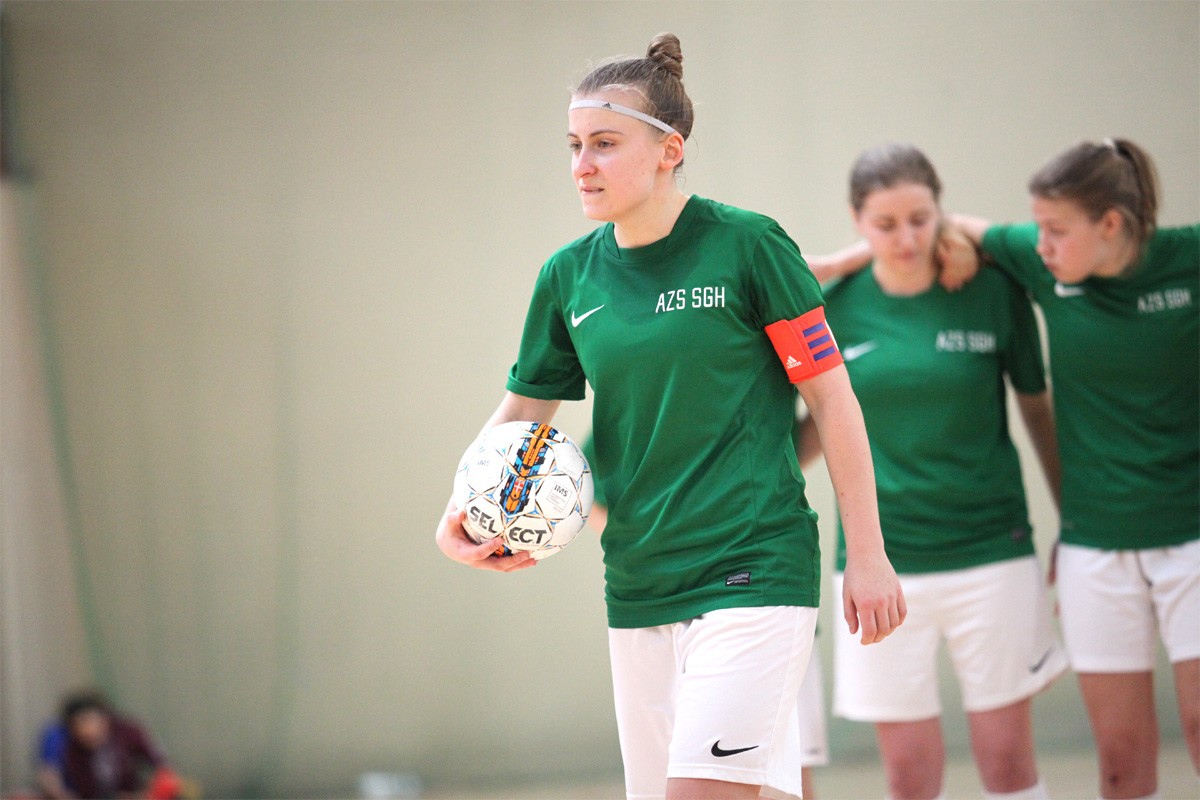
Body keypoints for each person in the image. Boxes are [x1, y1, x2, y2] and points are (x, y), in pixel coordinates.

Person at [435, 33, 905, 800]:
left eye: (604, 143)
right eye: (574, 145)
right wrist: (460, 511)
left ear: (668, 150)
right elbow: (523, 413)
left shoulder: (749, 246)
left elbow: (833, 398)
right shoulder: (568, 277)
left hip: (754, 570)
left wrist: (871, 554)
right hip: (638, 585)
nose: (582, 165)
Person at [798, 143, 1068, 800]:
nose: (906, 239)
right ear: (857, 221)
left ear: (942, 212)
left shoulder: (992, 293)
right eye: (886, 224)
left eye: (920, 219)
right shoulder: (832, 308)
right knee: (910, 779)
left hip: (992, 553)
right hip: (880, 569)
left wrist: (1075, 517)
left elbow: (1037, 411)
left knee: (1008, 765)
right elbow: (814, 430)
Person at [945, 138, 1199, 800]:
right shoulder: (1043, 264)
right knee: (1119, 762)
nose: (1043, 244)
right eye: (1038, 229)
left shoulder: (1191, 259)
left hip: (1193, 538)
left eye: (1057, 230)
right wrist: (955, 245)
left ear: (1110, 224)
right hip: (1096, 548)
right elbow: (949, 225)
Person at [582, 435, 831, 799]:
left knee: (783, 784)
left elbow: (831, 411)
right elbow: (586, 484)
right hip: (656, 606)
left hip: (756, 589)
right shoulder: (637, 421)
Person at [35, 689, 182, 800]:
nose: (89, 731)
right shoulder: (68, 747)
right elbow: (54, 778)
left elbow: (161, 763)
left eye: (92, 721)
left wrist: (152, 792)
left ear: (105, 718)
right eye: (79, 725)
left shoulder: (128, 732)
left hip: (137, 793)